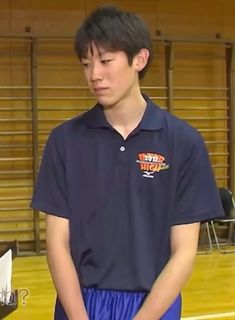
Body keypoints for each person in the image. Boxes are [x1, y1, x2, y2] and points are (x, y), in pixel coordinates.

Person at [31, 5, 223, 320]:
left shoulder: (184, 142)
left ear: (139, 59)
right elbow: (57, 245)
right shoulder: (64, 141)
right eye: (86, 63)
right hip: (79, 303)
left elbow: (185, 251)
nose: (94, 74)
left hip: (153, 304)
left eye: (106, 61)